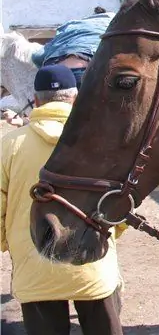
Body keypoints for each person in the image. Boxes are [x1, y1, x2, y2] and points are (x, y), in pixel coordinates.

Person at [1, 65, 125, 335]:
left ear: (36, 101)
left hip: (35, 264)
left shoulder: (9, 146)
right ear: (76, 98)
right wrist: (112, 235)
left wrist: (10, 243)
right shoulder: (100, 142)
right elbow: (122, 201)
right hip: (92, 262)